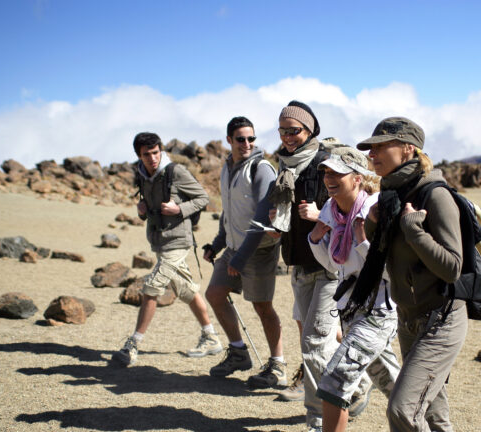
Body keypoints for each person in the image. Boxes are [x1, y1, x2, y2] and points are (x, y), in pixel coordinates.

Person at [354, 117, 468, 432]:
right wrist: (375, 223)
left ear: (408, 149)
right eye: (370, 149)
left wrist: (414, 231)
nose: (372, 154)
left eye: (380, 147)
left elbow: (451, 267)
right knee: (432, 414)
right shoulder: (391, 194)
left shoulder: (434, 195)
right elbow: (387, 253)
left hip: (440, 319)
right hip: (409, 318)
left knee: (403, 411)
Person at [308, 147, 401, 432]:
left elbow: (390, 272)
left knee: (335, 381)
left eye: (338, 173)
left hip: (378, 311)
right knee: (395, 385)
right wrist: (315, 239)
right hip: (349, 311)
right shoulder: (331, 209)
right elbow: (335, 266)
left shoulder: (375, 209)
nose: (329, 178)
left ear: (358, 178)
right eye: (327, 172)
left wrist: (362, 239)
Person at [113, 132, 222, 367]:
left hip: (178, 241)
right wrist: (142, 211)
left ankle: (133, 344)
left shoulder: (176, 172)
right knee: (186, 290)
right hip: (159, 242)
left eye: (155, 153)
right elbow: (147, 210)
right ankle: (211, 337)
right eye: (146, 154)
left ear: (161, 150)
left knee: (152, 287)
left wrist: (179, 209)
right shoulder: (143, 175)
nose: (152, 158)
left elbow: (203, 198)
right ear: (139, 156)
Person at [267, 101, 340, 432]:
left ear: (310, 130)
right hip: (299, 262)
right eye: (282, 131)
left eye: (293, 130)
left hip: (329, 266)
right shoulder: (285, 165)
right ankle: (359, 388)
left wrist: (320, 215)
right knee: (318, 339)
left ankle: (315, 421)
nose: (287, 137)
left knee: (313, 344)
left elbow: (355, 207)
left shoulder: (329, 163)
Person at [202, 116, 286, 389]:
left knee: (262, 307)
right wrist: (217, 243)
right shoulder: (227, 167)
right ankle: (238, 352)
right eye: (241, 139)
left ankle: (278, 364)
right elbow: (229, 210)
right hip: (234, 246)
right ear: (229, 140)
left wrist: (239, 259)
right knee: (214, 294)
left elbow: (262, 218)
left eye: (251, 138)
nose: (247, 143)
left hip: (259, 250)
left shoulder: (262, 170)